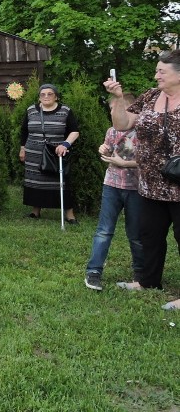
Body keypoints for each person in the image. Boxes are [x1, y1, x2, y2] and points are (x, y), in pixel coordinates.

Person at [104, 49, 180, 311]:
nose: (156, 75)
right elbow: (123, 124)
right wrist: (117, 99)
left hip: (179, 185)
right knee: (149, 235)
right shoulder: (150, 96)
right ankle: (148, 281)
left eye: (162, 71)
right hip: (149, 182)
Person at [84, 93, 144, 291]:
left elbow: (148, 161)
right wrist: (104, 150)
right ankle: (93, 272)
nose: (111, 112)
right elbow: (109, 151)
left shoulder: (143, 131)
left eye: (114, 108)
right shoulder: (112, 131)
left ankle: (140, 273)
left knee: (135, 234)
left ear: (130, 109)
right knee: (104, 230)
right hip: (111, 185)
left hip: (136, 189)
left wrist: (125, 163)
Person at [20, 83, 80, 223]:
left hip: (55, 154)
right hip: (33, 154)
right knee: (36, 182)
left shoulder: (65, 111)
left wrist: (65, 144)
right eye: (42, 94)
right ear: (39, 97)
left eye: (50, 94)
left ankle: (70, 215)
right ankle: (35, 212)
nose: (46, 96)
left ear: (56, 96)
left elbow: (74, 131)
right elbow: (24, 131)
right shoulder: (31, 110)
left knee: (61, 183)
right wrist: (22, 148)